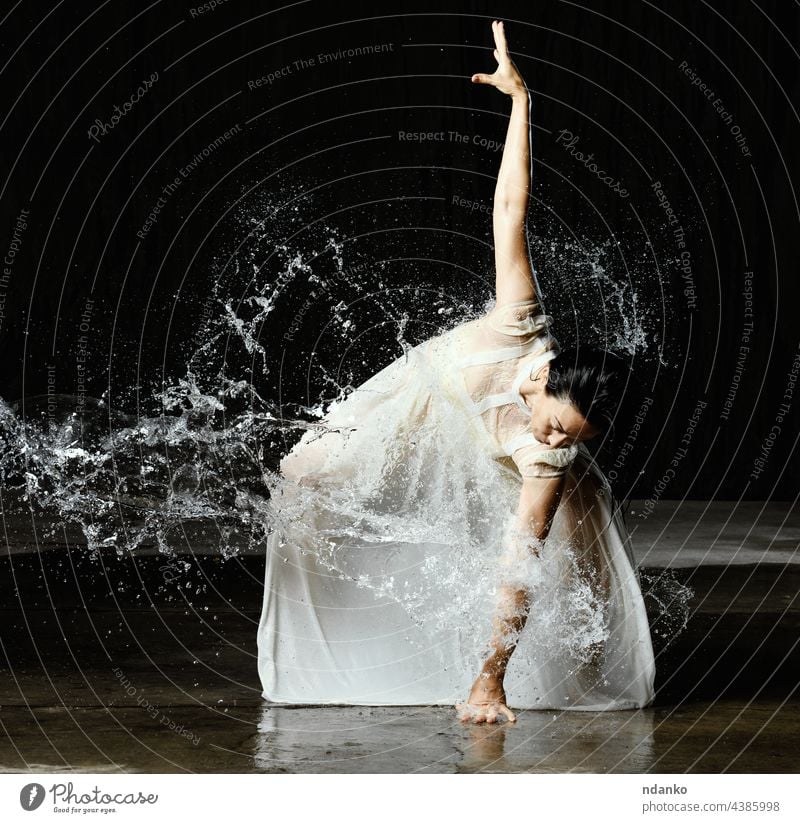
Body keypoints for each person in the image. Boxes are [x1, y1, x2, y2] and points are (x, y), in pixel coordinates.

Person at [257, 20, 655, 724]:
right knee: (299, 476)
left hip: (483, 450)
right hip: (413, 404)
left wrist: (490, 679)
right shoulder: (520, 324)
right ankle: (321, 622)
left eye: (570, 438)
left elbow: (517, 570)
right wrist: (520, 102)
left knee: (560, 531)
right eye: (560, 424)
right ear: (548, 378)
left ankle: (559, 650)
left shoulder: (545, 456)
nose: (557, 439)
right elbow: (510, 209)